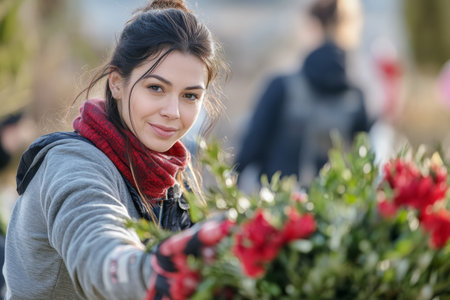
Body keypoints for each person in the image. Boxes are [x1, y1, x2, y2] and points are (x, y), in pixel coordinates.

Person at [3, 1, 230, 299]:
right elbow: (99, 251)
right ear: (117, 83)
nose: (173, 111)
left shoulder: (172, 175)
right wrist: (152, 273)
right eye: (156, 88)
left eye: (190, 96)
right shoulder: (70, 165)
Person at [235, 0, 370, 189]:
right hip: (332, 213)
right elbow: (363, 163)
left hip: (277, 211)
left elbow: (247, 153)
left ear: (312, 26)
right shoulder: (356, 97)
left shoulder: (281, 86)